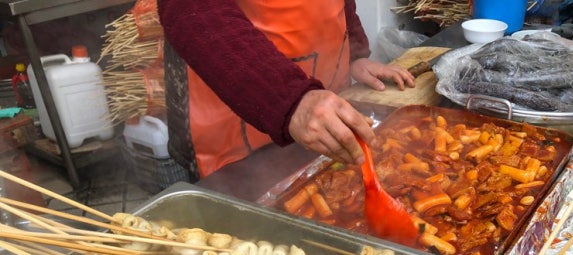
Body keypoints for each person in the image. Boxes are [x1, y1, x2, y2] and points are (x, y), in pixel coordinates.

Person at [157, 0, 416, 179]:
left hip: (319, 107)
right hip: (239, 119)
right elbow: (192, 11)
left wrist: (355, 54)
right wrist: (291, 101)